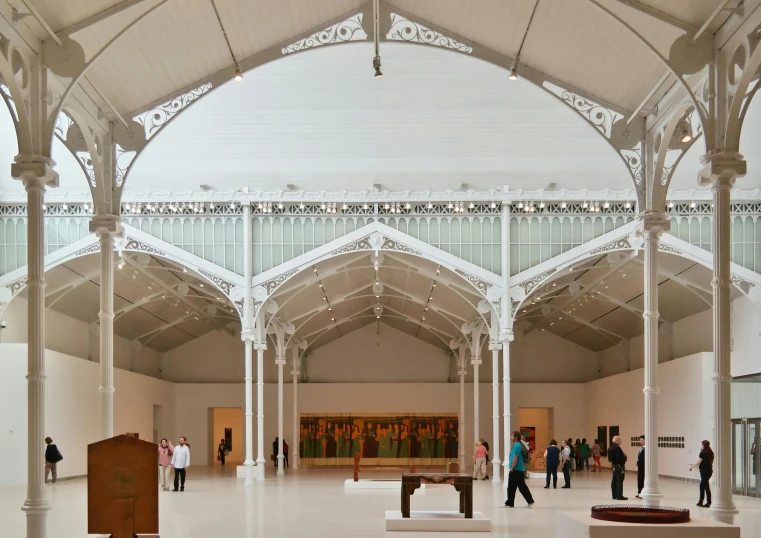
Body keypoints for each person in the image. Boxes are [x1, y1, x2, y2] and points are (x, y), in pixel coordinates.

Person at [504, 431, 535, 508]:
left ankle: (509, 503)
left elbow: (515, 458)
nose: (511, 437)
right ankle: (530, 501)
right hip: (519, 469)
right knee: (521, 486)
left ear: (516, 437)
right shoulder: (517, 445)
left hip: (516, 469)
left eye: (512, 436)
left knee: (511, 487)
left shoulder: (517, 445)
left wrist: (512, 468)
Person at [689, 440, 714, 507]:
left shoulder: (703, 453)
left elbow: (698, 462)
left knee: (706, 487)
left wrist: (692, 466)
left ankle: (708, 502)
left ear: (703, 445)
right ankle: (701, 501)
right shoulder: (710, 452)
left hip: (704, 472)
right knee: (702, 486)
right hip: (709, 471)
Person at [608, 435, 627, 500]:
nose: (620, 441)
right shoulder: (617, 448)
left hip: (613, 465)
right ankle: (619, 496)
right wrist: (624, 457)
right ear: (617, 440)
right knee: (620, 480)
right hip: (619, 466)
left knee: (614, 480)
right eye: (620, 440)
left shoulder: (610, 448)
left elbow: (610, 458)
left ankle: (614, 495)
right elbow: (619, 458)